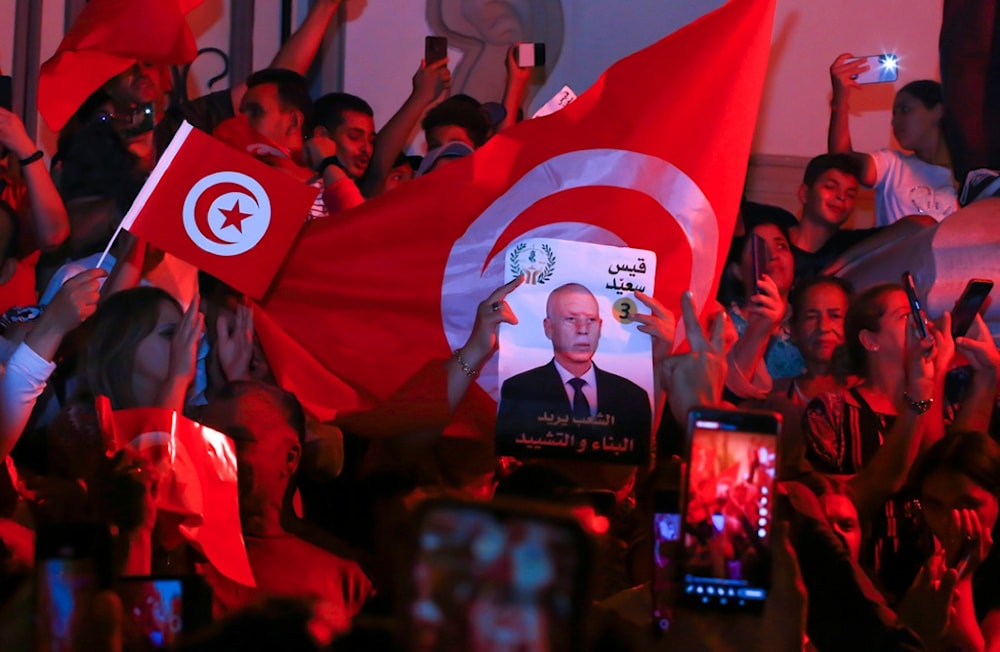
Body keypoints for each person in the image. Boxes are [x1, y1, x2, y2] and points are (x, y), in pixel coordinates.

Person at [199, 381, 373, 627]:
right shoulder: (180, 552)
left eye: (236, 441)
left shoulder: (346, 576)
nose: (214, 454)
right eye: (206, 441)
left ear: (290, 458)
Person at [496, 283, 651, 454]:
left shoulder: (633, 396)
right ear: (549, 328)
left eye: (591, 320)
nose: (583, 330)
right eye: (571, 319)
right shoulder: (519, 391)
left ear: (600, 327)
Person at [828, 56, 957, 226]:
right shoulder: (892, 166)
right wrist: (840, 99)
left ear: (938, 111)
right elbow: (841, 161)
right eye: (894, 114)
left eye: (905, 110)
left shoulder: (971, 177)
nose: (895, 122)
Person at [905, 430, 1000, 649]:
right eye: (935, 504)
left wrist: (961, 573)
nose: (950, 520)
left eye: (966, 505)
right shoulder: (910, 549)